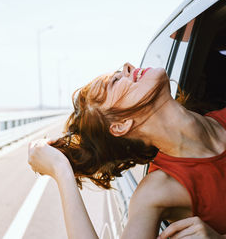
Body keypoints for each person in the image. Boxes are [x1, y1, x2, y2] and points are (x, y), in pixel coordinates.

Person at [28, 63, 226, 238]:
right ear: (121, 125)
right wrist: (61, 170)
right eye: (114, 82)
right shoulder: (157, 191)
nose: (128, 67)